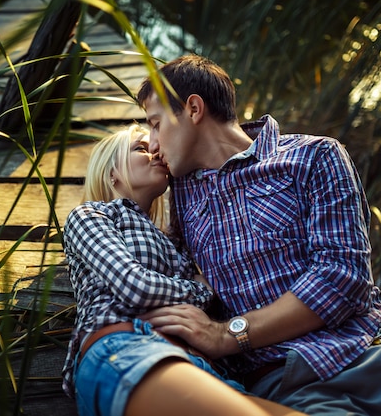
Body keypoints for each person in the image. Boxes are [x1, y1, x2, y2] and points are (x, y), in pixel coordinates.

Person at [136, 55, 381, 415]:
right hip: (300, 386)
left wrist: (227, 336)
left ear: (193, 109)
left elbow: (341, 277)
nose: (152, 143)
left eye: (155, 124)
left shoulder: (315, 156)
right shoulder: (179, 195)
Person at [61, 124, 306, 416]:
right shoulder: (90, 216)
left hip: (204, 366)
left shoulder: (175, 240)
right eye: (140, 148)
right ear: (111, 172)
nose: (155, 152)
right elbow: (135, 286)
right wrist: (200, 288)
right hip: (127, 346)